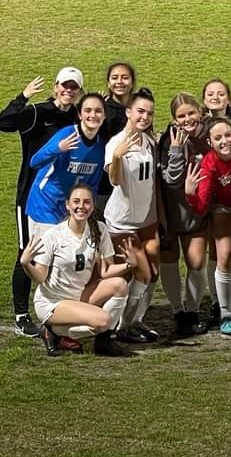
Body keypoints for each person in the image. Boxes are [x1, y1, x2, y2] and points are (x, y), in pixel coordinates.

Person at [0, 66, 84, 337]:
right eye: (64, 85)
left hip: (63, 200)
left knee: (60, 253)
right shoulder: (37, 113)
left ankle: (57, 306)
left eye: (73, 87)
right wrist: (22, 96)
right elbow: (3, 122)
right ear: (55, 87)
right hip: (31, 199)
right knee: (28, 251)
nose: (68, 90)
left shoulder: (77, 116)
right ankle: (22, 315)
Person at [20, 184, 132, 357]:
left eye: (87, 202)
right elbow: (40, 277)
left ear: (93, 206)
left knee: (120, 285)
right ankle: (54, 331)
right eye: (76, 202)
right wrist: (26, 264)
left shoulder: (99, 229)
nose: (81, 206)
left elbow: (105, 271)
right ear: (67, 205)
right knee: (104, 320)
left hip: (79, 294)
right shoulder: (54, 235)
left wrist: (128, 265)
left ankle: (104, 341)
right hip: (53, 302)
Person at [185, 116, 231, 336]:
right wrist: (190, 195)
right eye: (218, 138)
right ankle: (226, 314)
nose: (224, 141)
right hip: (224, 208)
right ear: (210, 142)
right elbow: (202, 205)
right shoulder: (209, 162)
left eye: (228, 135)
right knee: (224, 255)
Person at [104, 88, 160, 343]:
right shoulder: (116, 144)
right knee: (141, 273)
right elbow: (114, 180)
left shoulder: (148, 141)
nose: (144, 117)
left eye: (149, 113)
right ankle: (119, 327)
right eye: (140, 111)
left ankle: (135, 321)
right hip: (123, 222)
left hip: (146, 220)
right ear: (128, 112)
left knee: (152, 273)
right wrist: (117, 157)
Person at [157, 92, 210, 336]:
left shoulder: (208, 136)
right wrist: (177, 150)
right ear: (174, 119)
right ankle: (177, 310)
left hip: (196, 209)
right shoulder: (167, 141)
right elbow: (171, 179)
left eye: (191, 113)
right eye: (181, 115)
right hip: (169, 210)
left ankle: (193, 310)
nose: (187, 119)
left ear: (199, 112)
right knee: (169, 260)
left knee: (196, 262)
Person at [27, 93, 106, 233]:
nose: (93, 115)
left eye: (98, 111)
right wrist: (57, 149)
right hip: (45, 205)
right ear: (80, 114)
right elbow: (34, 162)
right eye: (88, 110)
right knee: (47, 253)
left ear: (104, 116)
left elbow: (92, 185)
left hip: (70, 210)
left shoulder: (100, 148)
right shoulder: (67, 134)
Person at [99, 62, 137, 213]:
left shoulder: (139, 107)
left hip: (135, 176)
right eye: (115, 78)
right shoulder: (102, 109)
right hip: (106, 179)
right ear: (108, 82)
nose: (120, 82)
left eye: (125, 77)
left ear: (132, 82)